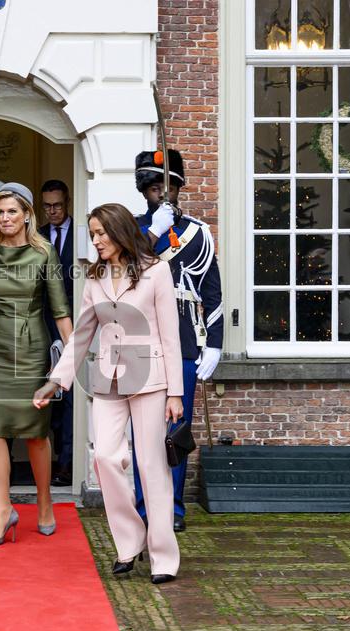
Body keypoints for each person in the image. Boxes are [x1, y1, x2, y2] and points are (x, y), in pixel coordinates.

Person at [34, 203, 183, 584]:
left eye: (101, 233)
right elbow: (81, 334)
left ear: (119, 232)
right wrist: (57, 380)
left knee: (152, 468)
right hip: (108, 379)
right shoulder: (94, 277)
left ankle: (163, 556)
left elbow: (170, 334)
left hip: (152, 379)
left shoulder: (157, 271)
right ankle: (129, 541)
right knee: (103, 456)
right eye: (93, 233)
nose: (96, 240)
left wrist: (175, 393)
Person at [0, 182, 72, 547]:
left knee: (36, 433)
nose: (5, 218)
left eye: (12, 212)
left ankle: (44, 501)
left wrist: (72, 359)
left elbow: (60, 309)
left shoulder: (44, 253)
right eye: (0, 212)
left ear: (26, 216)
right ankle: (2, 511)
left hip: (33, 350)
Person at [132, 149, 223, 532]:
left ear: (178, 188)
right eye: (153, 187)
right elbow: (126, 272)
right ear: (144, 191)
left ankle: (173, 508)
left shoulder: (198, 233)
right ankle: (142, 508)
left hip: (184, 340)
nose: (161, 193)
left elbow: (212, 292)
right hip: (140, 340)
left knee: (175, 431)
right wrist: (153, 231)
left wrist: (214, 342)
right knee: (142, 433)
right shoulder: (130, 231)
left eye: (167, 186)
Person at [38, 179, 75, 487]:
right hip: (42, 327)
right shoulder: (35, 236)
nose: (52, 211)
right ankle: (47, 463)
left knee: (71, 401)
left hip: (74, 326)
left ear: (68, 203)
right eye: (47, 205)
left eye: (57, 205)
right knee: (49, 399)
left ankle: (66, 464)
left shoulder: (83, 236)